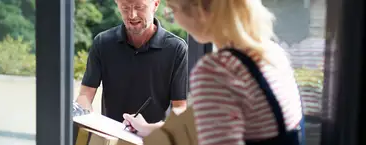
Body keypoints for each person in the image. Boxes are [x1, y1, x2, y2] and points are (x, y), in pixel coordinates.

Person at [123, 0, 306, 144]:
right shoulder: (272, 54)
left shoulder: (217, 70)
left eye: (172, 11)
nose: (175, 20)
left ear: (199, 12)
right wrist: (150, 129)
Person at [75, 0, 188, 124]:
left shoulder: (176, 49)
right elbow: (85, 95)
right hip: (111, 137)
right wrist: (83, 116)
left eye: (139, 7)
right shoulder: (102, 43)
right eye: (125, 8)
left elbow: (180, 107)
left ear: (155, 4)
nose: (132, 15)